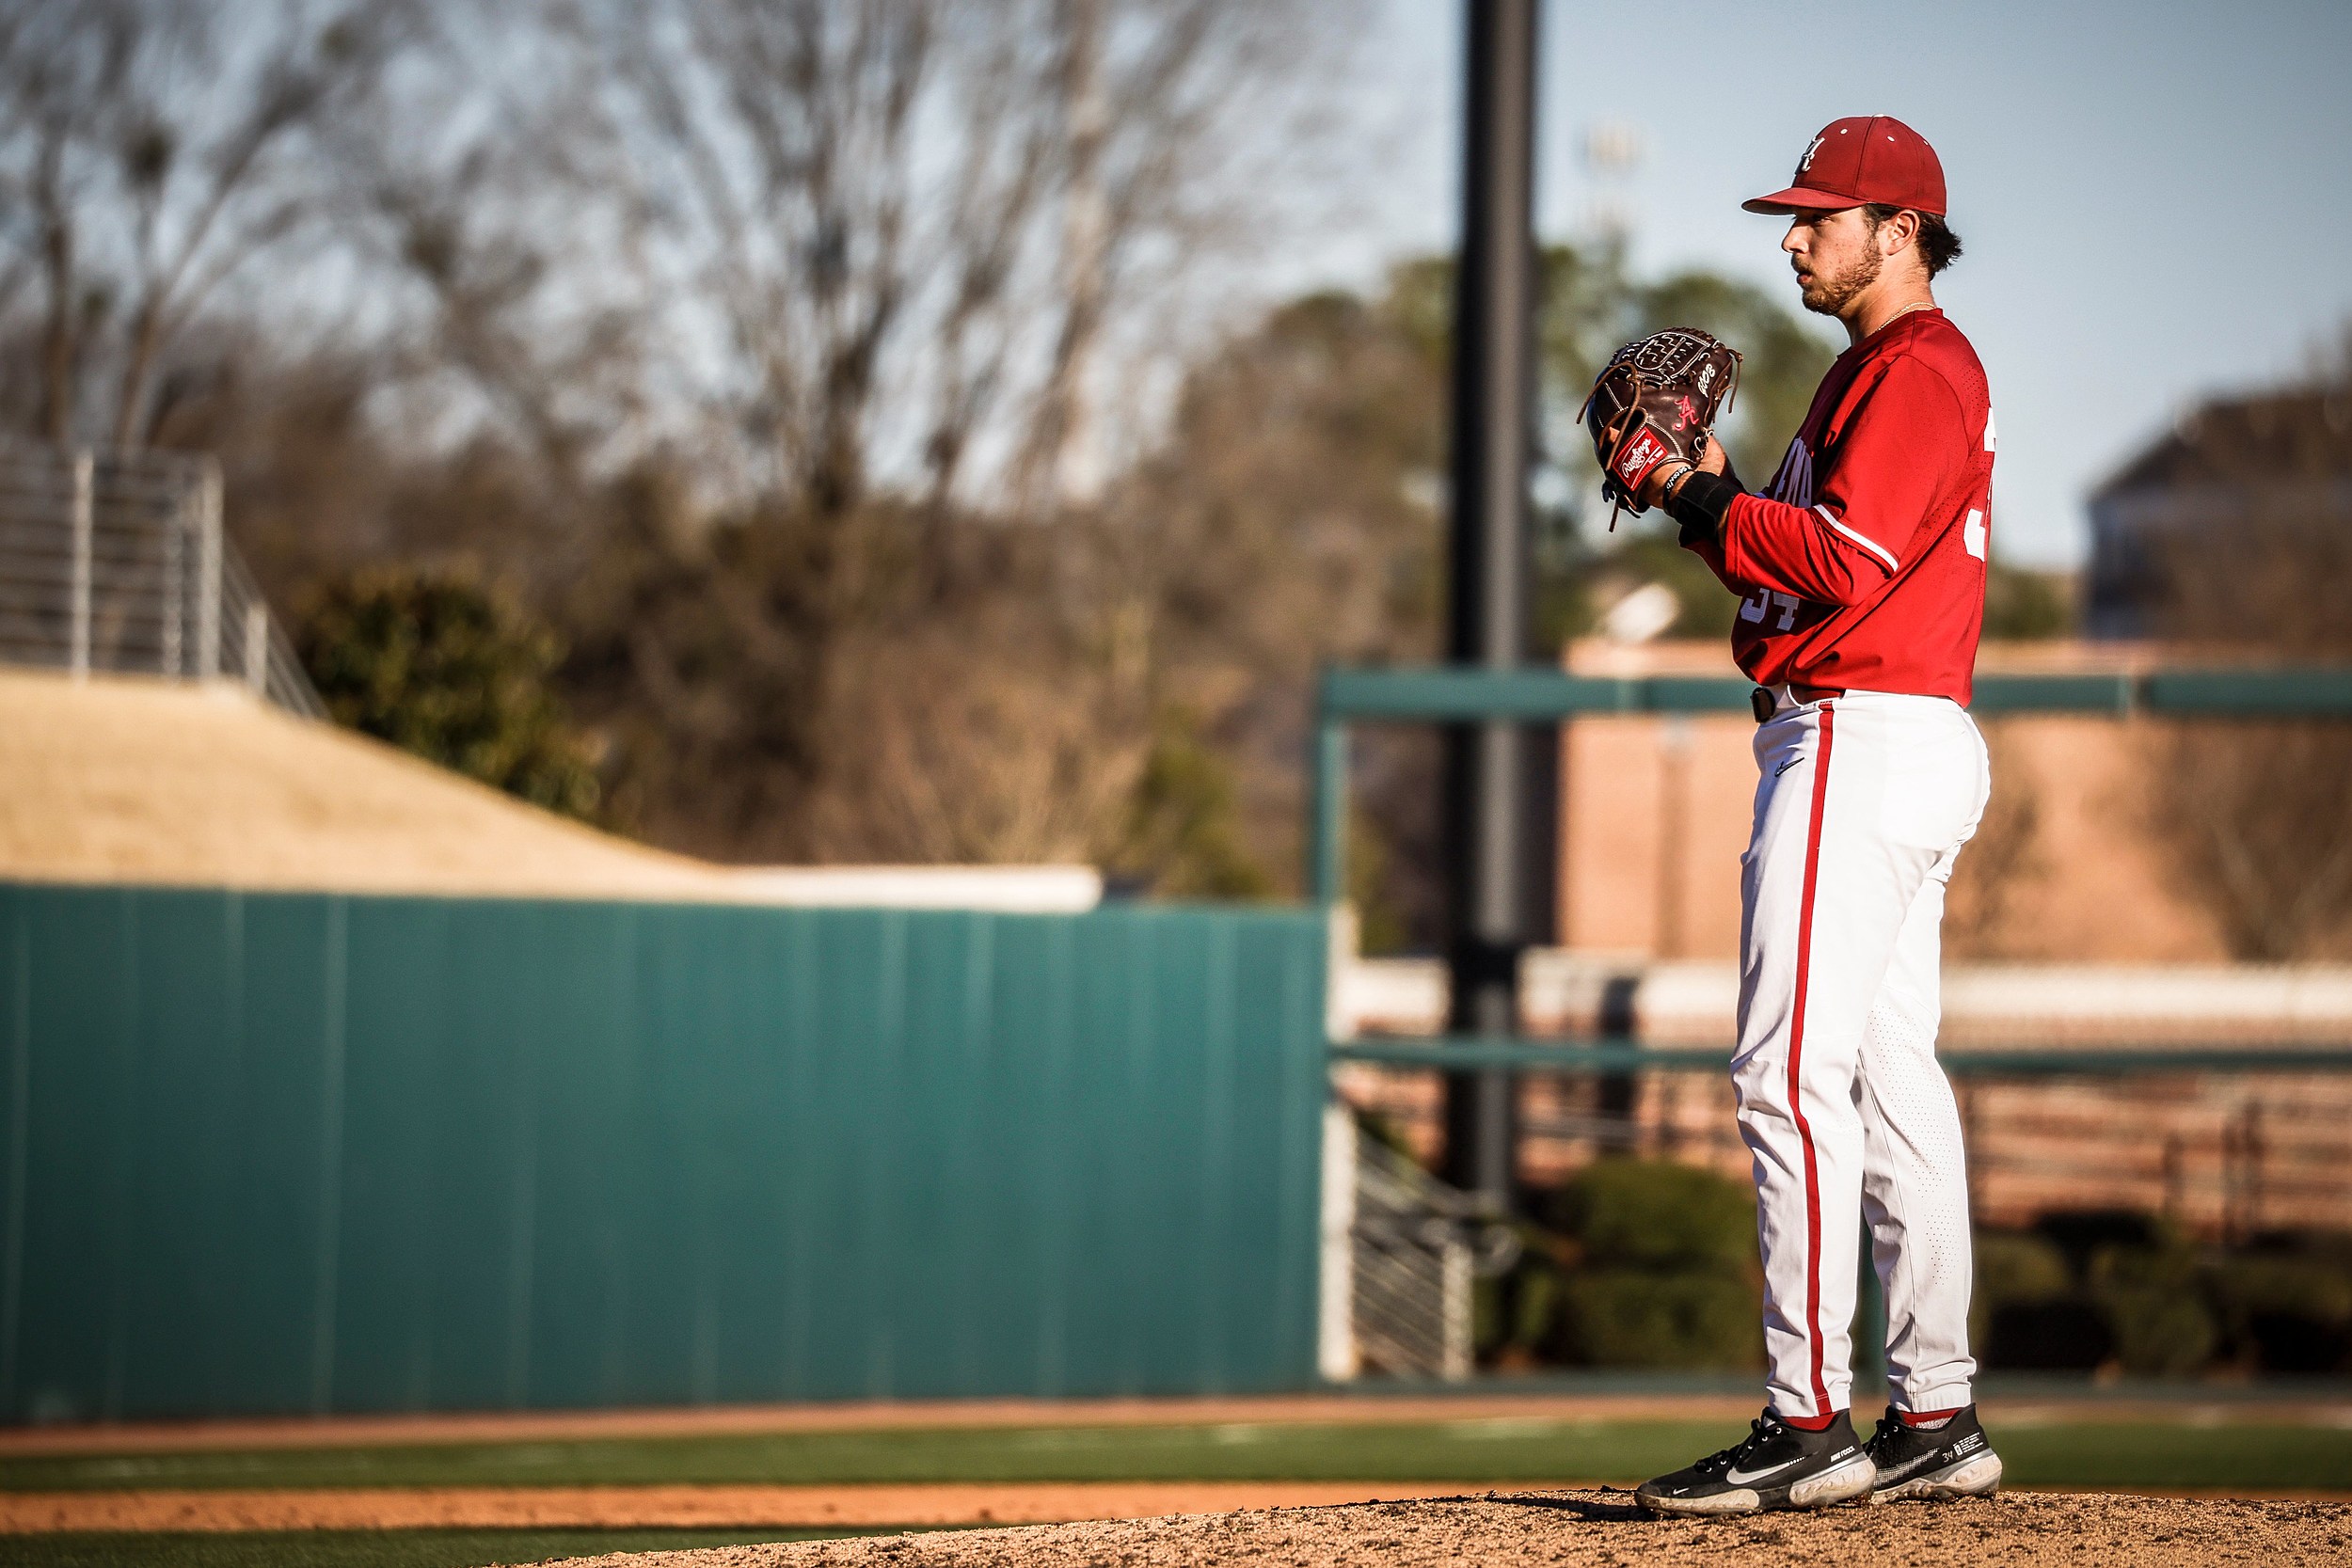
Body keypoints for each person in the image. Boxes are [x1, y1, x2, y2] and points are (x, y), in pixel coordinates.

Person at [1630, 115, 2006, 1516]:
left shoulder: (1914, 368)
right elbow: (1788, 568)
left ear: (1897, 230)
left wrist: (1701, 487)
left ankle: (1806, 1419)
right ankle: (1935, 1411)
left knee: (1785, 1074)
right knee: (1892, 1077)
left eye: (1819, 217)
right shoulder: (1876, 375)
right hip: (1895, 733)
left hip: (1859, 731)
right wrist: (1697, 504)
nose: (1794, 238)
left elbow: (1840, 566)